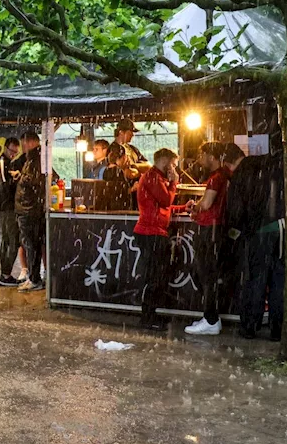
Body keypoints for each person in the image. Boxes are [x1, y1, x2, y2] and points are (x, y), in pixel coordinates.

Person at [185, 142, 244, 336]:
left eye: (202, 154)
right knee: (207, 274)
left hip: (209, 229)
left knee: (204, 274)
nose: (200, 159)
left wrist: (197, 206)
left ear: (212, 156)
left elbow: (208, 202)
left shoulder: (216, 177)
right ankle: (211, 317)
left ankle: (211, 318)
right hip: (218, 229)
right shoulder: (227, 175)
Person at [227, 145, 285, 340]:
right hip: (280, 228)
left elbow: (235, 209)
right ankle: (278, 329)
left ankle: (250, 326)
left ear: (229, 162)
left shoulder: (242, 172)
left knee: (256, 279)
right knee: (279, 281)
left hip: (257, 231)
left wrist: (236, 230)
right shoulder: (272, 165)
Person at [134, 148, 179, 330]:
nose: (175, 168)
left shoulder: (156, 178)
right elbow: (166, 200)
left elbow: (164, 206)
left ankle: (151, 315)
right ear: (165, 161)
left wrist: (183, 207)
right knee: (154, 277)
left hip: (154, 232)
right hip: (151, 233)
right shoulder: (153, 177)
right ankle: (148, 317)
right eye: (174, 164)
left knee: (157, 276)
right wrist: (174, 182)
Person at [14, 132, 47, 292]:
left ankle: (35, 278)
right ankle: (34, 277)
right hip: (28, 208)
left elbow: (35, 181)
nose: (22, 147)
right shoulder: (33, 159)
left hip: (30, 209)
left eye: (24, 143)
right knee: (31, 244)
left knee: (32, 244)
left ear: (31, 142)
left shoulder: (36, 160)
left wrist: (22, 177)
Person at [0, 137, 22, 285]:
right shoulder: (2, 163)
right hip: (7, 207)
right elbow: (4, 186)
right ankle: (5, 273)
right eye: (11, 151)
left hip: (7, 207)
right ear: (5, 148)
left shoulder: (7, 163)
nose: (13, 154)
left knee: (7, 240)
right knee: (12, 240)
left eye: (16, 152)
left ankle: (5, 273)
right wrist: (16, 178)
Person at [101, 144, 139, 210]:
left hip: (111, 208)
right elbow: (120, 192)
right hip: (120, 208)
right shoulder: (118, 171)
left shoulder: (106, 171)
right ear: (123, 157)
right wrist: (134, 188)